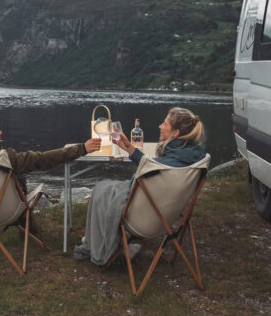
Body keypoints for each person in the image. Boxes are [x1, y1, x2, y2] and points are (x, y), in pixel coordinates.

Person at [73, 107, 206, 266]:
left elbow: (150, 168)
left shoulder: (164, 166)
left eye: (164, 124)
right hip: (168, 217)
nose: (160, 126)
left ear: (175, 133)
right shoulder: (194, 158)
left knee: (102, 188)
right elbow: (153, 165)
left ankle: (97, 245)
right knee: (107, 188)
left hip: (142, 220)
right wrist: (130, 149)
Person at [0, 112, 101, 203]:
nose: (1, 133)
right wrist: (82, 148)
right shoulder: (5, 158)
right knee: (18, 177)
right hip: (6, 211)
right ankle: (26, 226)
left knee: (16, 176)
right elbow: (42, 159)